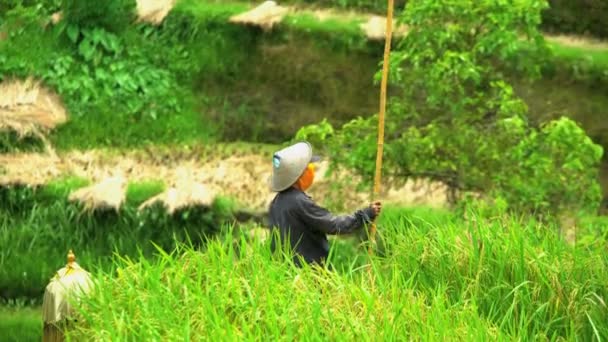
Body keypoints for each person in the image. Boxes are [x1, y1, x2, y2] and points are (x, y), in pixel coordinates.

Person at [268, 141, 382, 267]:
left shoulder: (276, 203)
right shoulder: (299, 202)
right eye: (309, 168)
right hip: (309, 275)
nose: (312, 171)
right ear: (299, 175)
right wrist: (366, 214)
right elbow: (334, 224)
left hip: (286, 272)